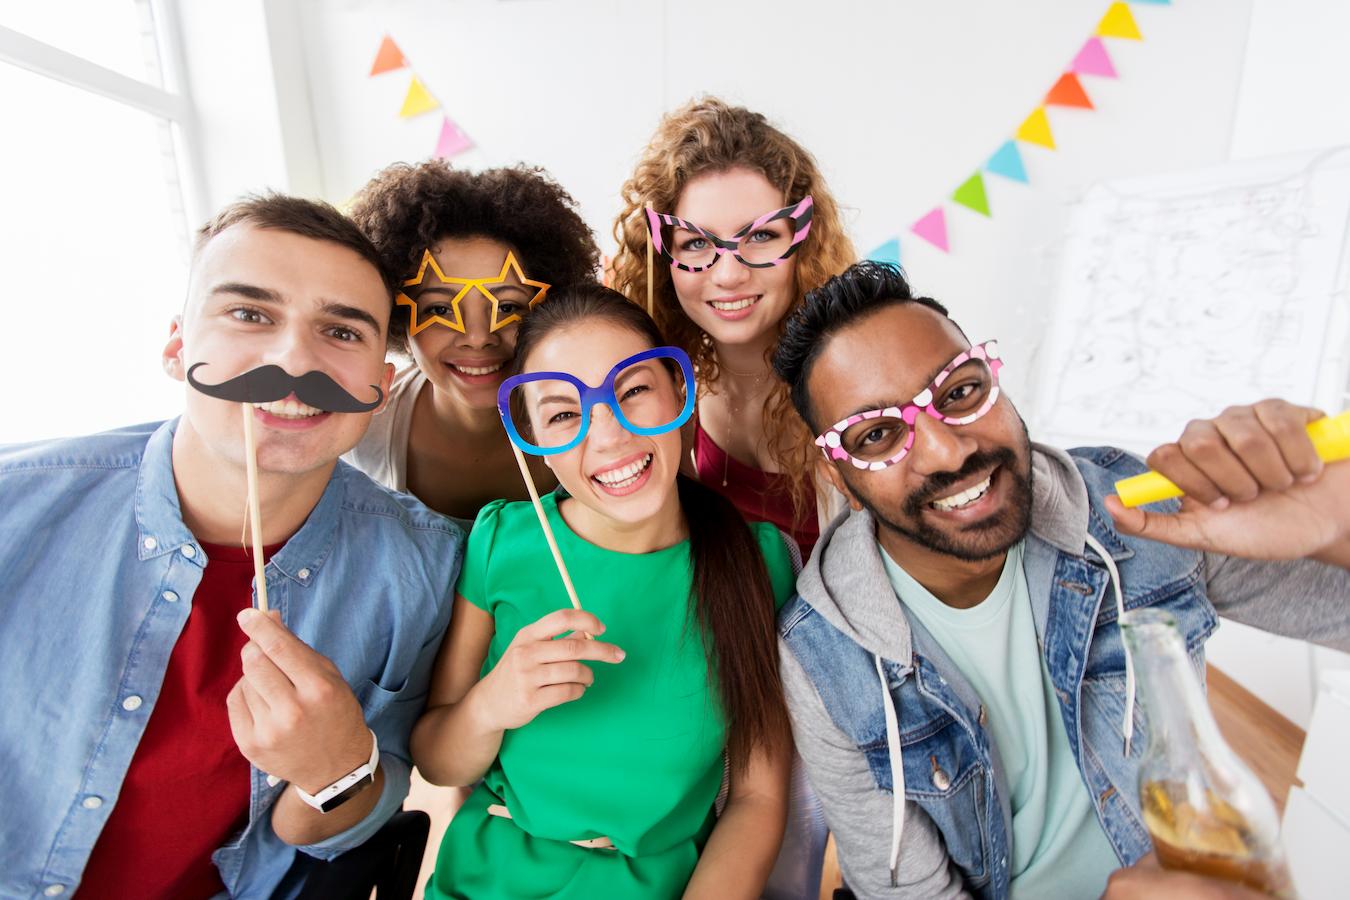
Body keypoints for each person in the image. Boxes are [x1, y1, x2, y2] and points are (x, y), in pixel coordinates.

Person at [770, 261, 1350, 898]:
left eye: (960, 393)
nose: (949, 451)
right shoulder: (823, 653)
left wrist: (1336, 530)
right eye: (878, 435)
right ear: (839, 477)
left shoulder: (1129, 510)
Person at [0, 195, 461, 899]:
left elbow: (356, 819)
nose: (292, 360)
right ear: (178, 345)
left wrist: (337, 768)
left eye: (340, 331)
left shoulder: (422, 566)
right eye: (251, 315)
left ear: (381, 385)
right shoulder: (16, 506)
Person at [410, 284, 797, 899]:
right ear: (531, 436)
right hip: (489, 878)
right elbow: (437, 761)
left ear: (679, 391)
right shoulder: (500, 544)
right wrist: (492, 703)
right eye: (564, 413)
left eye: (634, 391)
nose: (608, 436)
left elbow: (757, 796)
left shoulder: (760, 562)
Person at [611, 97, 856, 558]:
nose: (728, 275)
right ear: (663, 257)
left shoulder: (855, 385)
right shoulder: (666, 388)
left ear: (803, 241)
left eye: (761, 236)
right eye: (696, 242)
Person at [346, 161, 600, 531]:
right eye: (439, 308)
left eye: (509, 306)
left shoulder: (600, 423)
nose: (478, 337)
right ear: (395, 311)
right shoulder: (360, 430)